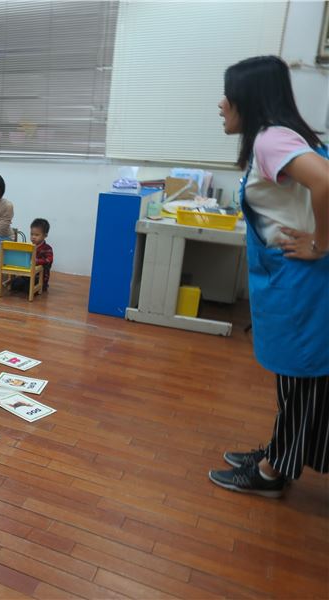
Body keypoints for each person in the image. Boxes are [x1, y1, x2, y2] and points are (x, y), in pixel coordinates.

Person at [208, 56, 329, 498]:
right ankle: (279, 452)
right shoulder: (282, 136)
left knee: (300, 381)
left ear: (250, 98)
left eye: (228, 95)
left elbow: (326, 182)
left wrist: (320, 243)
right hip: (295, 281)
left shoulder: (271, 139)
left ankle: (273, 471)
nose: (221, 104)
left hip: (303, 283)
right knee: (294, 382)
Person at [11, 218, 54, 293]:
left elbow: (49, 260)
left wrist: (36, 261)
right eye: (32, 234)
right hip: (28, 275)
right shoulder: (30, 247)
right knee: (14, 284)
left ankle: (42, 286)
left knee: (28, 289)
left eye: (37, 235)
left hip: (40, 278)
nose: (33, 237)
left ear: (45, 235)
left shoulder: (47, 248)